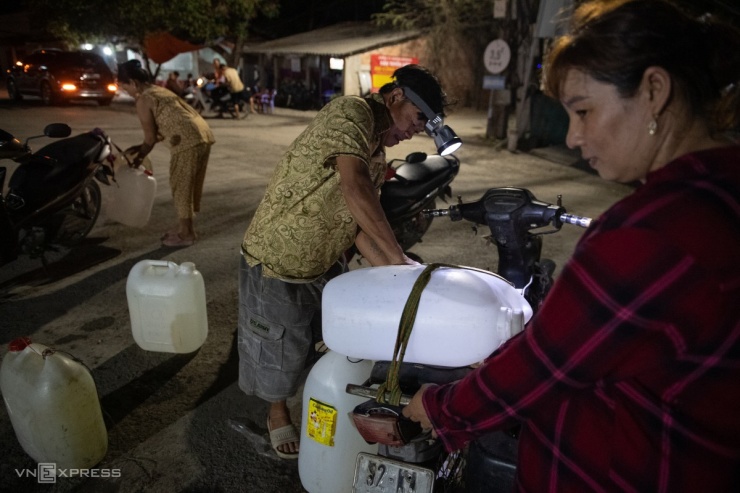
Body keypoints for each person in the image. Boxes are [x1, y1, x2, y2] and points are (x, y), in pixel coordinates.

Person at [402, 1, 740, 491]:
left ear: (654, 91)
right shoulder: (721, 192)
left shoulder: (651, 233)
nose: (574, 136)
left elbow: (540, 367)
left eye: (584, 111)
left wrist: (435, 407)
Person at [238, 64, 451, 459]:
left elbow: (359, 226)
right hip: (279, 255)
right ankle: (276, 409)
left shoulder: (375, 150)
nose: (416, 129)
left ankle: (315, 396)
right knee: (277, 346)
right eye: (417, 118)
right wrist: (398, 259)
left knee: (322, 340)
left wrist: (402, 269)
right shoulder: (351, 113)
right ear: (395, 97)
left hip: (323, 258)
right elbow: (354, 189)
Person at [117, 59, 216, 247]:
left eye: (124, 87)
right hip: (202, 133)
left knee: (181, 185)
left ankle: (186, 234)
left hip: (186, 139)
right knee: (187, 185)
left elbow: (150, 139)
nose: (125, 92)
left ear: (133, 83)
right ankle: (184, 227)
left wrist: (137, 160)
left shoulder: (144, 99)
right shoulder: (158, 90)